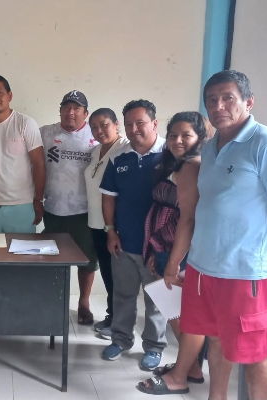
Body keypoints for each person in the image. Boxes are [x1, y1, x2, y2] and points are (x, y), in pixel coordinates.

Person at [181, 70, 267, 400]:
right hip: (204, 268)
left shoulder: (266, 144)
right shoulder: (210, 148)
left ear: (248, 102)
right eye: (211, 100)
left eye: (228, 98)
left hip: (244, 273)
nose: (218, 106)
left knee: (254, 354)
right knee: (216, 340)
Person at [136, 111, 212, 395]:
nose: (178, 140)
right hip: (166, 248)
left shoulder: (193, 165)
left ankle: (183, 375)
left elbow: (188, 220)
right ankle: (191, 369)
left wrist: (174, 263)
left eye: (186, 135)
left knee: (184, 316)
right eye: (173, 135)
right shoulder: (176, 164)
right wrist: (157, 250)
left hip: (181, 253)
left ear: (200, 138)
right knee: (173, 311)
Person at [99, 99, 167, 371]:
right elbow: (108, 197)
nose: (134, 129)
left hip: (158, 246)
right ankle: (120, 340)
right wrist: (110, 231)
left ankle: (154, 347)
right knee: (123, 295)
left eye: (140, 122)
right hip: (124, 242)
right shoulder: (119, 157)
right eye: (129, 124)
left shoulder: (170, 156)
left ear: (154, 123)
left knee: (156, 300)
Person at [41, 90, 98, 325]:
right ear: (60, 111)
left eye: (76, 108)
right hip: (53, 209)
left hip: (84, 212)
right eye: (66, 107)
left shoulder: (96, 136)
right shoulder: (45, 133)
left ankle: (83, 303)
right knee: (52, 259)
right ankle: (54, 301)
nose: (71, 112)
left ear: (86, 113)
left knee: (87, 260)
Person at [0, 75, 46, 233]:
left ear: (10, 96)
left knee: (22, 249)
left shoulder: (25, 123)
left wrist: (39, 199)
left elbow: (39, 163)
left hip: (23, 204)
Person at [83, 108, 130, 335]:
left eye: (104, 125)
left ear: (116, 124)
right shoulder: (95, 151)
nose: (99, 131)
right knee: (108, 273)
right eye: (94, 127)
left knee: (120, 277)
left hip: (116, 226)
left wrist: (114, 227)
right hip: (96, 223)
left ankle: (121, 323)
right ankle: (112, 315)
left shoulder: (125, 149)